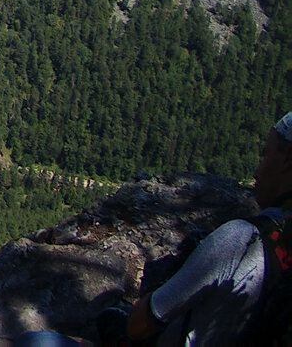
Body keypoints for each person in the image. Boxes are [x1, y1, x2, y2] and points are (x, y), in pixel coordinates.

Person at [125, 110, 292, 344]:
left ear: (288, 159)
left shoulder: (242, 240)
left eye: (265, 156)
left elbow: (139, 325)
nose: (257, 172)